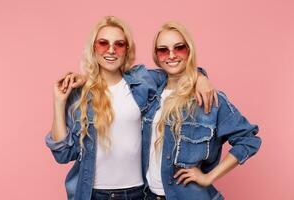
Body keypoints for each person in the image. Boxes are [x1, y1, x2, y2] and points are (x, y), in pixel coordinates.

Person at [45, 16, 217, 200]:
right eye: (103, 43)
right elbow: (63, 154)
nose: (111, 50)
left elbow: (177, 71)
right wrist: (58, 101)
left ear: (127, 50)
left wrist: (201, 78)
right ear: (93, 48)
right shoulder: (79, 94)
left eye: (119, 44)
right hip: (92, 194)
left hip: (138, 193)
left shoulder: (142, 82)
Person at [141, 22, 262, 200]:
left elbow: (249, 140)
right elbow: (120, 75)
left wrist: (209, 177)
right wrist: (200, 75)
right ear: (157, 56)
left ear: (189, 51)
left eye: (179, 48)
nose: (171, 55)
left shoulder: (209, 99)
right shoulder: (149, 94)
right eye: (163, 50)